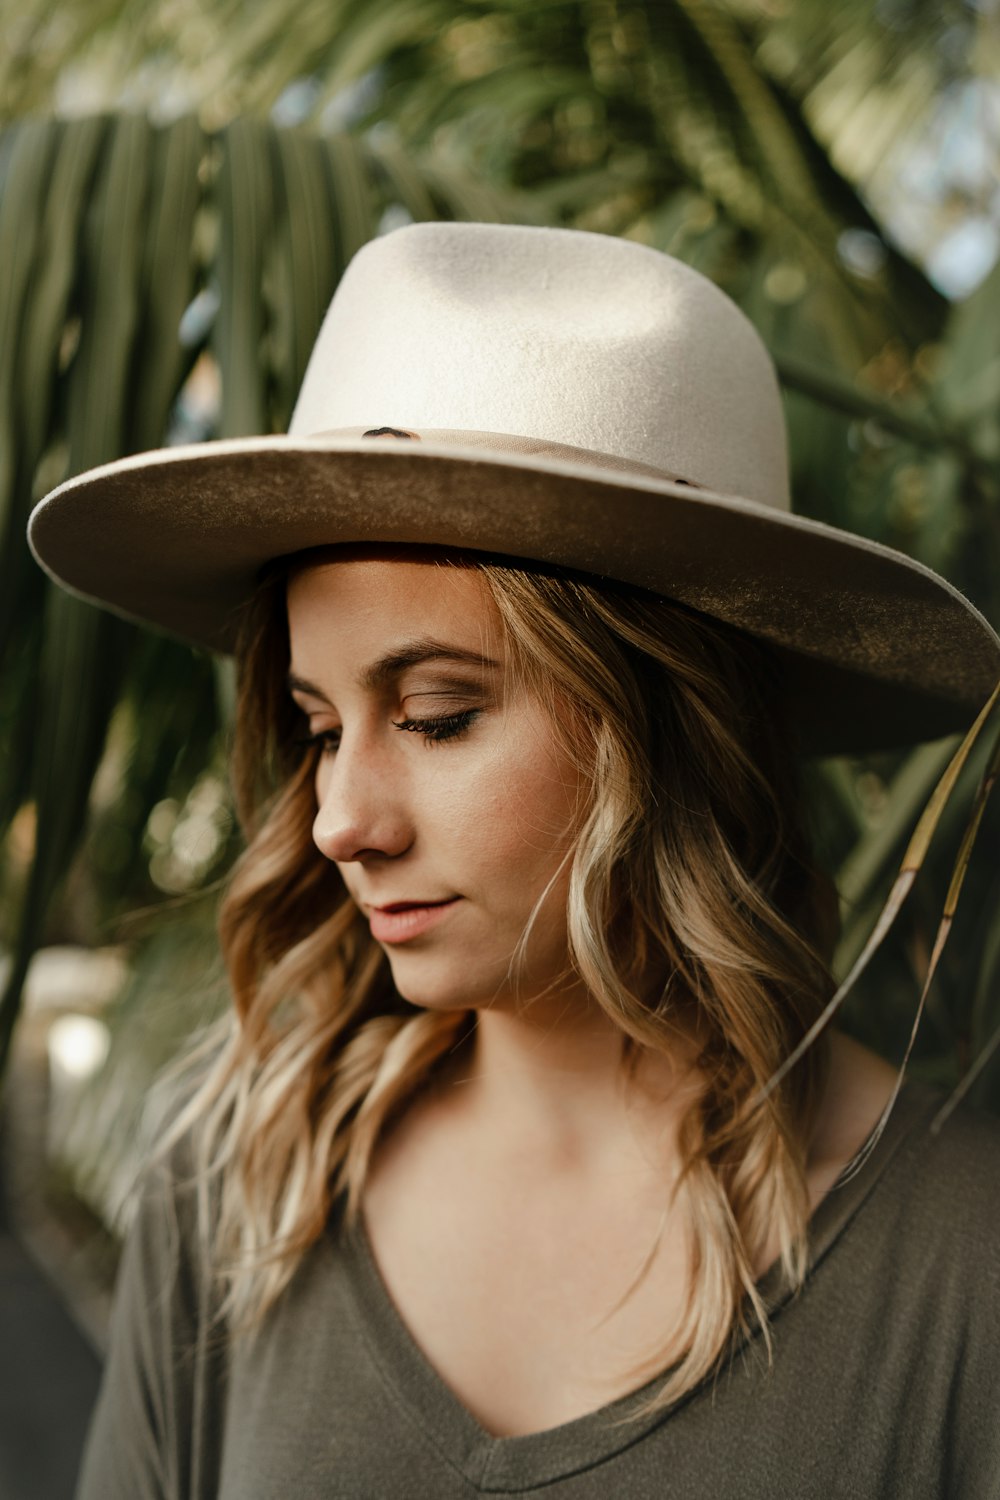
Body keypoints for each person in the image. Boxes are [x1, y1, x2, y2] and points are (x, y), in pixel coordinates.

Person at [29, 222, 1000, 1499]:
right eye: (322, 730)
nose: (339, 821)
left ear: (675, 731)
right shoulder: (239, 1191)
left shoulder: (956, 1271)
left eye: (436, 717)